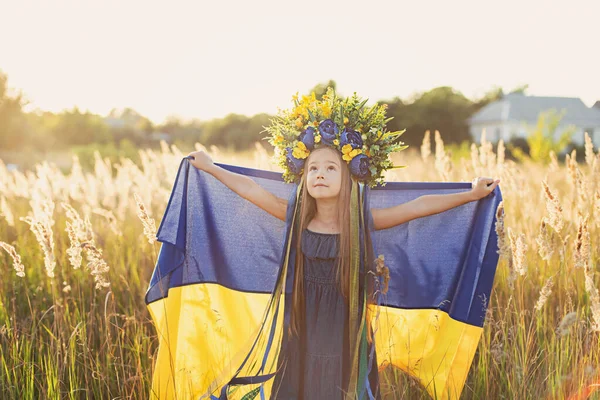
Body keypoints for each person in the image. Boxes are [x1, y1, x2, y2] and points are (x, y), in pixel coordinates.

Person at [184, 88, 499, 400]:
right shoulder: (297, 220)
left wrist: (471, 195)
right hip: (302, 329)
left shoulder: (359, 225)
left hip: (345, 333)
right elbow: (251, 190)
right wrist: (211, 167)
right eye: (313, 169)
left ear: (348, 178)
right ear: (304, 178)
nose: (320, 174)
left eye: (330, 168)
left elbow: (416, 207)